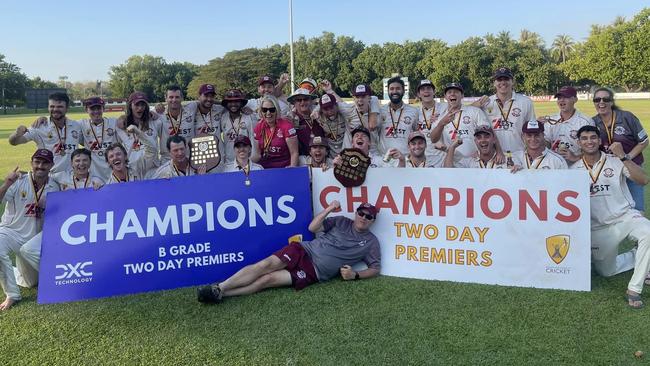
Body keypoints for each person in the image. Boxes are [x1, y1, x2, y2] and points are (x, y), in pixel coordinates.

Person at [196, 200, 381, 304]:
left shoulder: (371, 242)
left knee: (267, 280)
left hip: (315, 271)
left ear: (373, 220)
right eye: (361, 213)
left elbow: (375, 268)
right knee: (265, 265)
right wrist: (329, 209)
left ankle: (221, 294)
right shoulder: (341, 220)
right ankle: (220, 287)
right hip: (303, 249)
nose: (363, 218)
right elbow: (313, 227)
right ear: (356, 213)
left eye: (368, 216)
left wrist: (355, 275)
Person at [572, 125, 650, 309]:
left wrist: (624, 156)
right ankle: (639, 255)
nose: (589, 141)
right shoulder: (573, 170)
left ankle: (634, 289)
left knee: (648, 232)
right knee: (606, 271)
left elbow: (644, 180)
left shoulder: (616, 161)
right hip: (598, 228)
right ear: (579, 142)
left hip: (625, 217)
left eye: (593, 137)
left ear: (600, 141)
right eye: (584, 138)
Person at [0, 149, 59, 310]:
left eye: (45, 163)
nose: (40, 166)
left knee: (30, 282)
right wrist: (6, 183)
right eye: (37, 162)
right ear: (31, 163)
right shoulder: (18, 181)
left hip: (34, 239)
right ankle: (12, 294)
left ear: (51, 165)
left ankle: (13, 271)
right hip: (11, 231)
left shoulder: (55, 186)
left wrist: (51, 204)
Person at [592, 87, 648, 212]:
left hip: (631, 167)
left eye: (605, 99)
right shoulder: (593, 122)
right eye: (597, 99)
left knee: (636, 209)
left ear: (611, 102)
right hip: (610, 171)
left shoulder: (627, 117)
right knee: (614, 209)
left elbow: (644, 141)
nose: (601, 102)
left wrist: (626, 157)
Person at [8, 92, 83, 174]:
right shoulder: (39, 126)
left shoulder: (76, 126)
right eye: (52, 106)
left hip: (71, 178)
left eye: (60, 107)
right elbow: (14, 142)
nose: (55, 109)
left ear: (67, 108)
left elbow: (87, 141)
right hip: (49, 178)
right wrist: (16, 134)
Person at [474, 67, 536, 153]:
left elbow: (532, 130)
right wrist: (474, 105)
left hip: (519, 154)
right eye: (499, 79)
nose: (503, 82)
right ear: (494, 83)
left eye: (506, 79)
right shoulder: (485, 103)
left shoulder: (525, 102)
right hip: (493, 156)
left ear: (512, 81)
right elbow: (462, 112)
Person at [430, 83, 493, 160]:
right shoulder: (439, 116)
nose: (452, 94)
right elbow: (433, 139)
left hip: (473, 161)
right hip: (451, 162)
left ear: (462, 95)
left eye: (456, 92)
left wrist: (482, 151)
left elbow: (488, 134)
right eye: (449, 92)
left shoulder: (475, 111)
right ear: (445, 97)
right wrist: (442, 123)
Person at [542, 86, 594, 164]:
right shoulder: (550, 120)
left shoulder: (586, 121)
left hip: (579, 166)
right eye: (559, 98)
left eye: (566, 97)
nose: (562, 100)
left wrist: (575, 157)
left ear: (575, 99)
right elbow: (546, 144)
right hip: (555, 166)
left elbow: (593, 149)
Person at [116, 91, 163, 175]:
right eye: (137, 105)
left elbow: (165, 114)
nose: (140, 108)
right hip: (132, 171)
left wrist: (155, 112)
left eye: (143, 105)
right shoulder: (121, 126)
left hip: (152, 169)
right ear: (130, 106)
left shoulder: (155, 122)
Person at [252, 95, 299, 168]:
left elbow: (294, 153)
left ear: (277, 110)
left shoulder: (287, 126)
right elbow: (257, 155)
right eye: (264, 110)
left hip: (283, 168)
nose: (268, 113)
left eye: (272, 110)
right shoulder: (259, 127)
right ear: (261, 111)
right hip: (264, 168)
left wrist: (292, 167)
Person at [78, 96, 118, 181]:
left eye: (99, 108)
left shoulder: (114, 122)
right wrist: (43, 119)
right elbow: (64, 122)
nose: (96, 111)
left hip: (113, 170)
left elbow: (128, 119)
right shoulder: (81, 124)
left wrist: (152, 113)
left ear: (103, 109)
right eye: (92, 109)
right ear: (86, 110)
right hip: (94, 174)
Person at [377, 76, 419, 155]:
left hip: (406, 159)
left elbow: (417, 134)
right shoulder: (380, 111)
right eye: (392, 89)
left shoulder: (414, 111)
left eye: (398, 88)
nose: (395, 91)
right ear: (388, 91)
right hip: (385, 159)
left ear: (403, 91)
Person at [333, 127, 404, 168]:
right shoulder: (345, 161)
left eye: (363, 136)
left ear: (369, 142)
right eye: (356, 136)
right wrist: (335, 168)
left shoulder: (378, 161)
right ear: (352, 143)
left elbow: (395, 175)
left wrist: (402, 160)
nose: (360, 137)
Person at [159, 85, 196, 163]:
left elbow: (206, 101)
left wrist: (224, 102)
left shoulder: (191, 108)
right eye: (171, 97)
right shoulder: (158, 113)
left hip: (189, 159)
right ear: (165, 98)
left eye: (177, 97)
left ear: (182, 98)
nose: (174, 100)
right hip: (167, 161)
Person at [444, 126, 511, 169]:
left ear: (494, 140)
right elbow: (448, 173)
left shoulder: (507, 160)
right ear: (475, 141)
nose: (483, 140)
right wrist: (452, 148)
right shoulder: (470, 162)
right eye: (479, 137)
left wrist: (519, 172)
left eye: (487, 136)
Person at [219, 89, 257, 165]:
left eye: (236, 101)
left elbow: (254, 140)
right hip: (228, 162)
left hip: (247, 161)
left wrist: (251, 160)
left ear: (241, 103)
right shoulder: (223, 118)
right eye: (230, 102)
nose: (233, 104)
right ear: (226, 103)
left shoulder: (249, 117)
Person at [343, 83, 381, 154]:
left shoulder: (378, 113)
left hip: (373, 154)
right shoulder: (348, 109)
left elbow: (374, 98)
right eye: (357, 97)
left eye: (363, 96)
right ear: (353, 98)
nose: (360, 99)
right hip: (351, 154)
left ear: (369, 98)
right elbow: (335, 104)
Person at [415, 79, 448, 161]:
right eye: (423, 89)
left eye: (429, 88)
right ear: (418, 94)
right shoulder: (414, 111)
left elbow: (461, 107)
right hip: (422, 156)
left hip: (441, 155)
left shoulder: (445, 107)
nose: (426, 91)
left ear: (434, 92)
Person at [287, 88, 324, 156]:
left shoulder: (319, 114)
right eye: (299, 100)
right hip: (303, 159)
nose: (302, 102)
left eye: (305, 99)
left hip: (322, 157)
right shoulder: (290, 119)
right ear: (294, 103)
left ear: (311, 101)